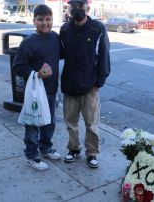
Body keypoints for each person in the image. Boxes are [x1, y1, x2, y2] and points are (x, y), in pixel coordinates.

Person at [60, 0, 110, 168]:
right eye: (73, 6)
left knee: (91, 123)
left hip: (90, 86)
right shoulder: (65, 29)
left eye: (80, 6)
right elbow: (59, 53)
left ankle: (92, 152)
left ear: (87, 8)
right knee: (70, 122)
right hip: (69, 84)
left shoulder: (97, 29)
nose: (76, 10)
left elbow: (104, 57)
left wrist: (99, 83)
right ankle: (74, 149)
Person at [12, 4, 61, 171]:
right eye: (40, 19)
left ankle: (45, 148)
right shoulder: (28, 42)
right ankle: (31, 156)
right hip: (34, 92)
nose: (44, 23)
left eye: (48, 19)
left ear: (52, 20)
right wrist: (37, 74)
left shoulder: (55, 38)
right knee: (33, 124)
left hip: (51, 90)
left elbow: (61, 55)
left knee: (49, 122)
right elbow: (17, 67)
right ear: (34, 21)